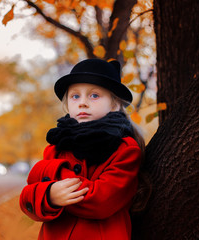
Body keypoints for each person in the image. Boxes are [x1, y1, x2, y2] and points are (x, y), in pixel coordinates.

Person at [20, 58, 146, 240]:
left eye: (94, 95)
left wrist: (47, 174)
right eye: (75, 96)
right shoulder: (57, 146)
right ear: (68, 103)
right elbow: (27, 201)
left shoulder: (125, 149)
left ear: (114, 104)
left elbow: (100, 202)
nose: (82, 103)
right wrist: (49, 196)